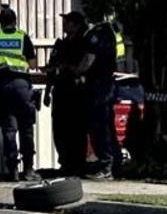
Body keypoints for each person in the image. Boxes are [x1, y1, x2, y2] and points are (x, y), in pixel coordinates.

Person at [0, 5, 39, 181]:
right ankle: (29, 169)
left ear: (0, 22)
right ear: (15, 21)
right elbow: (32, 64)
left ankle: (12, 169)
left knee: (9, 130)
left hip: (1, 88)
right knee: (26, 129)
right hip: (21, 87)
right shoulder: (22, 37)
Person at [75, 18, 121, 180]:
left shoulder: (97, 34)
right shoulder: (110, 33)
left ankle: (106, 165)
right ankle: (114, 164)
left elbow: (89, 59)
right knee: (107, 126)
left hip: (98, 86)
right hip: (108, 84)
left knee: (99, 126)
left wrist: (77, 72)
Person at [45, 11, 89, 177]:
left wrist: (68, 68)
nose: (65, 25)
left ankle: (77, 163)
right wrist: (47, 91)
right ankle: (65, 162)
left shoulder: (81, 44)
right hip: (60, 91)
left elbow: (81, 67)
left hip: (75, 92)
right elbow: (52, 68)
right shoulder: (61, 44)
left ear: (76, 25)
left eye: (68, 22)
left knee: (76, 129)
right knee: (60, 129)